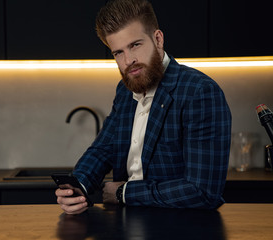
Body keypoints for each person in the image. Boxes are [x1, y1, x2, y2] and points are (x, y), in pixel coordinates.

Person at [56, 0, 232, 214]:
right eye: (118, 53)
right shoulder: (124, 90)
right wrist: (77, 187)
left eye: (135, 45)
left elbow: (203, 192)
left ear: (158, 39)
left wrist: (124, 193)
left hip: (182, 227)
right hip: (126, 223)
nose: (128, 60)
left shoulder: (199, 92)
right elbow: (103, 149)